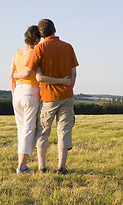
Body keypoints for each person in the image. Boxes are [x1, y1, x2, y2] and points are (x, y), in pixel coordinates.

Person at [14, 19, 79, 174]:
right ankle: (61, 167)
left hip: (48, 97)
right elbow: (73, 73)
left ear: (41, 34)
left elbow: (35, 75)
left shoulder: (40, 49)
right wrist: (68, 88)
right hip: (67, 95)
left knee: (43, 132)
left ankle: (42, 166)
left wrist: (15, 75)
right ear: (55, 29)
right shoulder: (68, 47)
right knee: (64, 131)